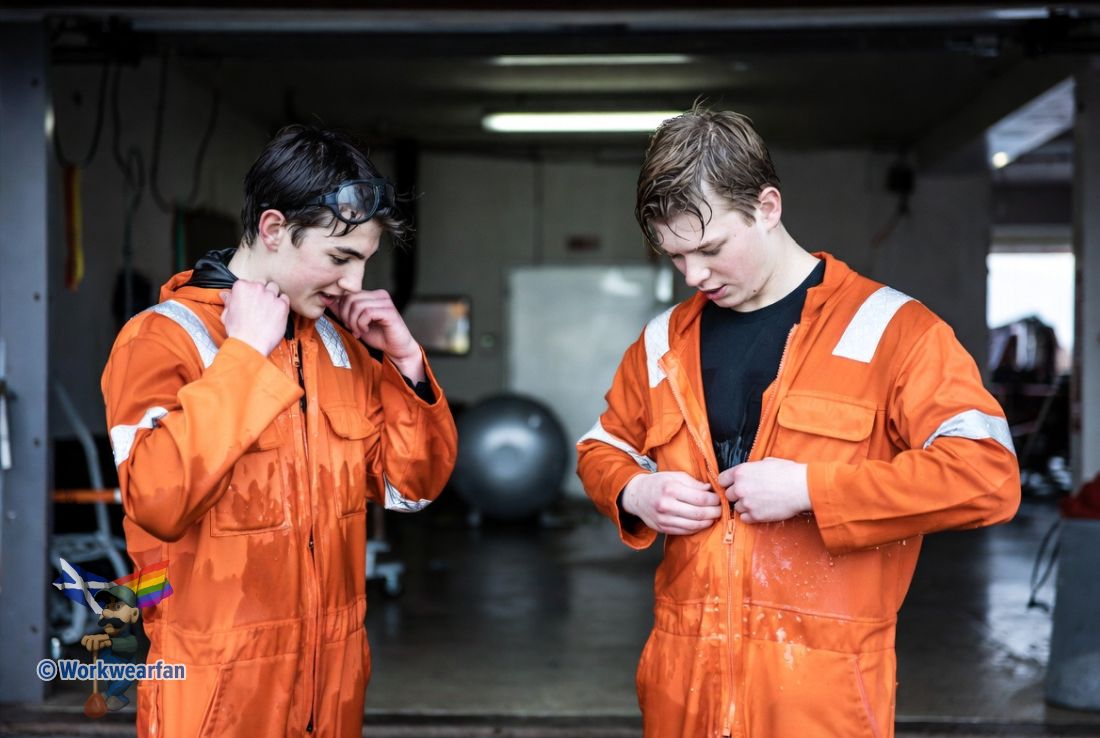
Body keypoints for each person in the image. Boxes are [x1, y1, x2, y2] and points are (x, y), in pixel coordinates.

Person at [576, 106, 1021, 738]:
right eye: (675, 257)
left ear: (767, 207)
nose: (694, 275)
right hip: (684, 697)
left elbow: (987, 477)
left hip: (820, 704)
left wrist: (814, 490)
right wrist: (634, 491)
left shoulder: (893, 331)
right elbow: (602, 447)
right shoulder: (662, 341)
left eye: (710, 249)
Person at [101, 125, 457, 738]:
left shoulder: (340, 346)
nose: (354, 283)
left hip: (332, 690)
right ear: (272, 229)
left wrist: (405, 365)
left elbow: (411, 487)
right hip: (218, 701)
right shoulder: (162, 339)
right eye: (340, 258)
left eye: (364, 261)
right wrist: (244, 355)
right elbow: (157, 501)